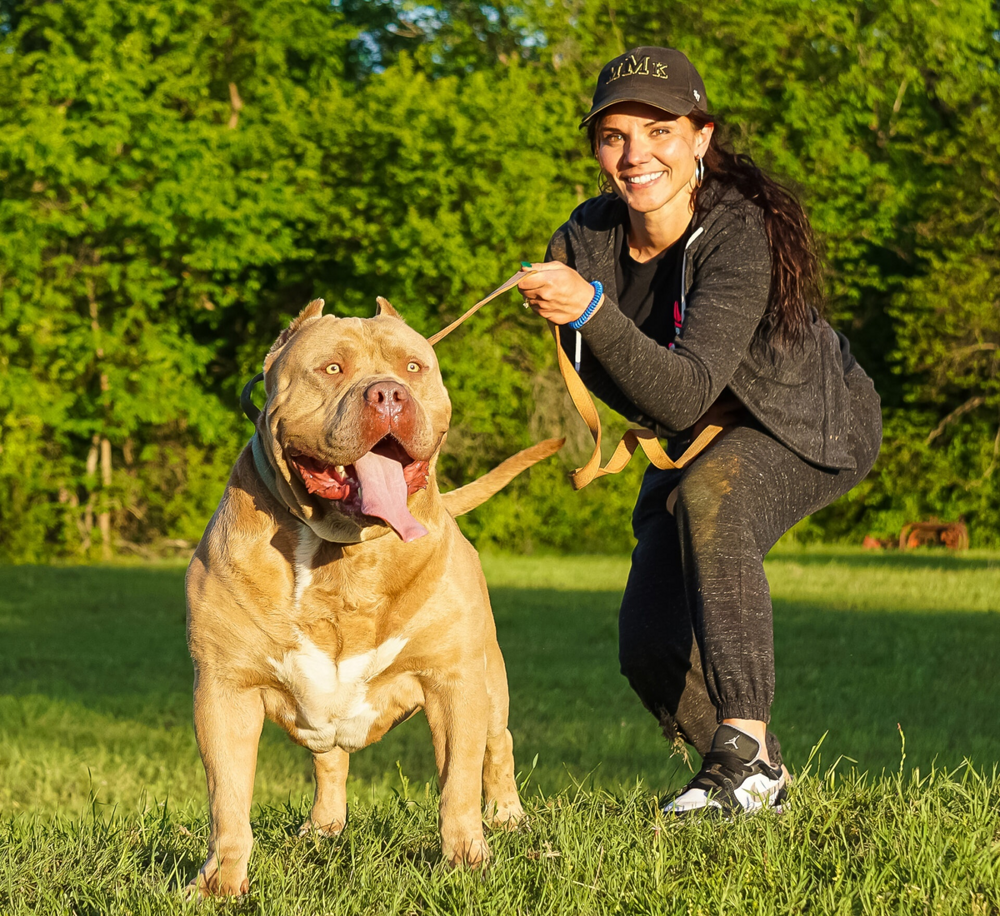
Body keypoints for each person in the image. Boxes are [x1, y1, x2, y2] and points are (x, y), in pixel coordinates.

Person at [518, 47, 882, 815]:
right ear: (596, 149)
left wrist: (592, 313)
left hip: (807, 420)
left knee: (712, 498)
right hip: (696, 434)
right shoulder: (585, 239)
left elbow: (681, 393)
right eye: (614, 136)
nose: (635, 154)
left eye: (659, 131)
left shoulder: (735, 233)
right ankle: (763, 783)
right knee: (648, 644)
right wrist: (580, 311)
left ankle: (742, 752)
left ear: (700, 138)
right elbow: (638, 389)